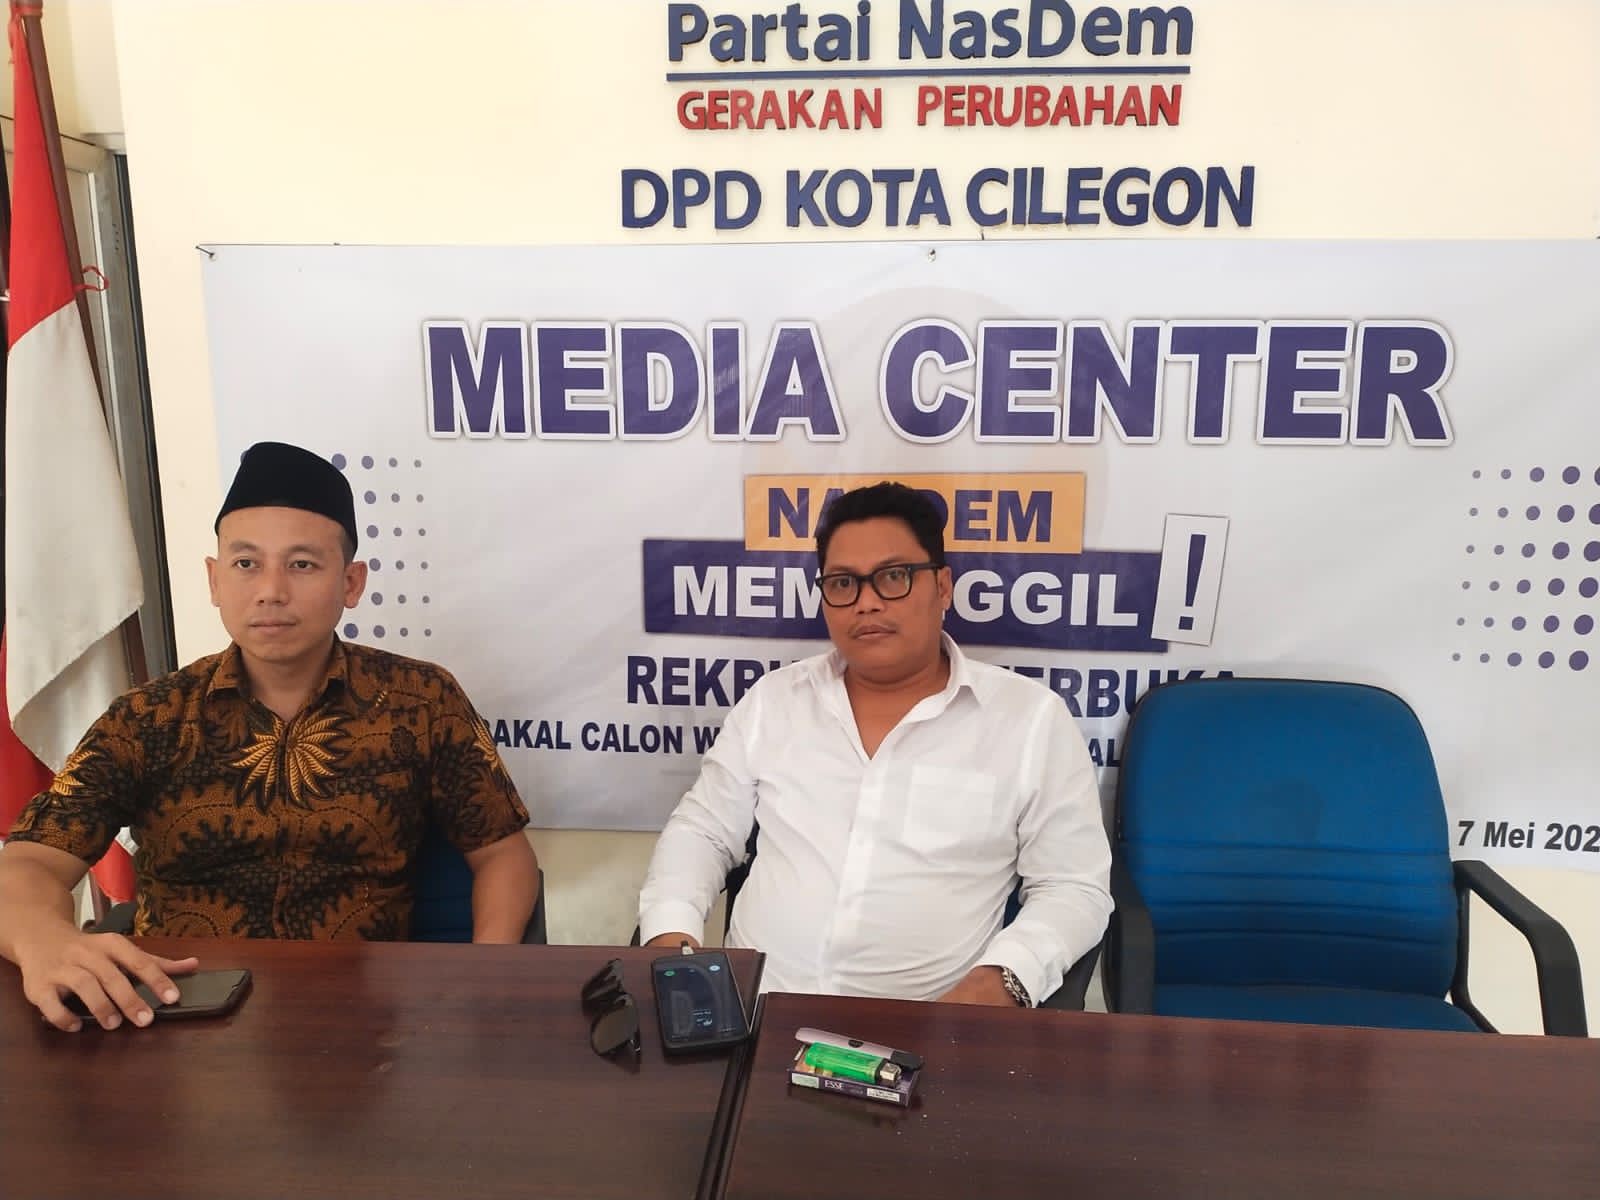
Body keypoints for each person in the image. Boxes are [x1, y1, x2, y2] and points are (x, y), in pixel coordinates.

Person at [0, 441, 539, 1032]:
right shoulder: (148, 719)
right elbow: (30, 861)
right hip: (177, 1018)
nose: (271, 591)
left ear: (351, 582)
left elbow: (503, 856)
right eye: (246, 564)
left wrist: (486, 977)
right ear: (214, 579)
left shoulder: (422, 701)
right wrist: (41, 936)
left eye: (302, 564)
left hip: (363, 1024)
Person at [639, 481, 1111, 1007]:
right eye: (843, 583)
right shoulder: (775, 701)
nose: (866, 602)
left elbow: (1073, 887)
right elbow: (703, 830)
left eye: (893, 577)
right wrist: (671, 935)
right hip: (754, 1012)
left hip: (926, 1028)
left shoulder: (1030, 721)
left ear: (943, 587)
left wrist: (1002, 981)